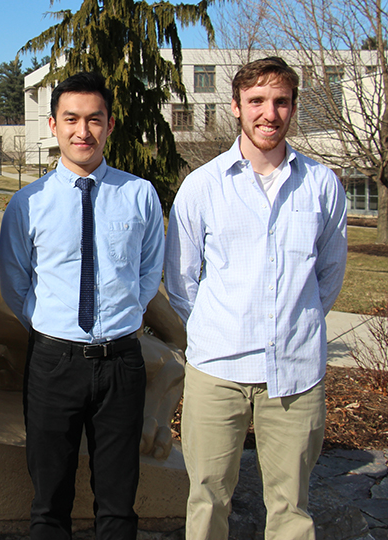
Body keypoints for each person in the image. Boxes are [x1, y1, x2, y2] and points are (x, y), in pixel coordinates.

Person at [164, 57, 347, 540]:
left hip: (295, 374)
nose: (270, 113)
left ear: (293, 107)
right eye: (257, 101)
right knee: (206, 498)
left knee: (291, 507)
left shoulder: (322, 185)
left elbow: (328, 275)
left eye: (281, 101)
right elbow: (181, 282)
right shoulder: (202, 186)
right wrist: (216, 327)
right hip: (217, 371)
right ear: (236, 106)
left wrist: (294, 322)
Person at [0, 71, 165, 540]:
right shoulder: (28, 204)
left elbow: (150, 271)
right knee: (49, 502)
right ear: (52, 125)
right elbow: (15, 283)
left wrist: (125, 313)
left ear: (110, 125)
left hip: (121, 363)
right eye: (71, 118)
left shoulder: (139, 195)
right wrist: (53, 328)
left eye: (95, 119)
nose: (82, 130)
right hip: (54, 363)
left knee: (117, 502)